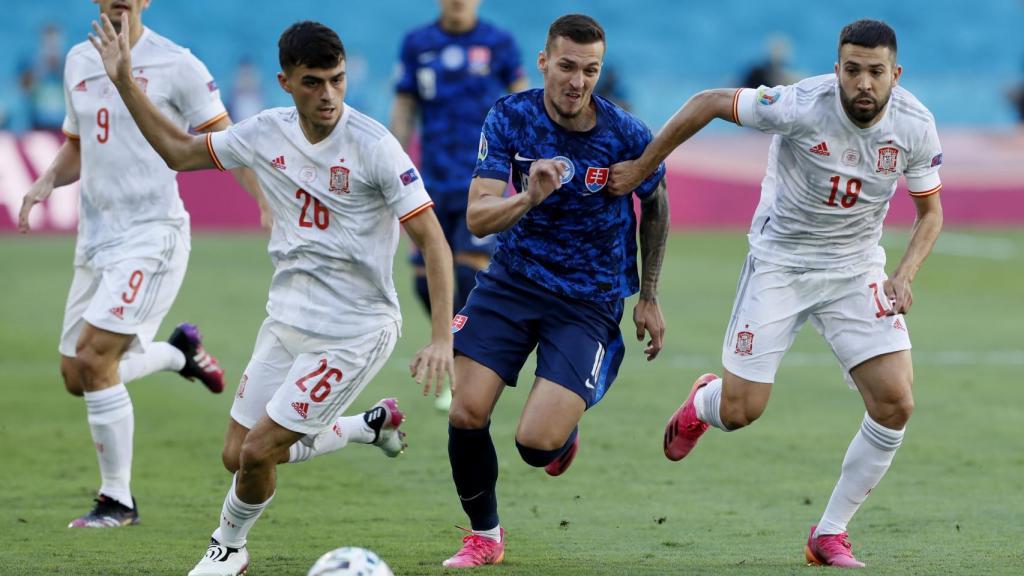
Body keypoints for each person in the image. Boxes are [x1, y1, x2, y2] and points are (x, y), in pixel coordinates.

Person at [89, 16, 455, 576]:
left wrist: (439, 339)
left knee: (260, 451)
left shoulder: (376, 147)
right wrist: (123, 82)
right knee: (237, 456)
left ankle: (227, 549)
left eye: (336, 79)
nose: (328, 94)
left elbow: (433, 242)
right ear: (285, 81)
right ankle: (365, 426)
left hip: (355, 329)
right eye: (313, 81)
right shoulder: (263, 132)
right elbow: (179, 154)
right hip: (286, 317)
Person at [609, 19, 943, 569]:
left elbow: (930, 213)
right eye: (853, 70)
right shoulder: (799, 104)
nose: (863, 83)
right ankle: (704, 401)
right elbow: (708, 102)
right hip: (780, 265)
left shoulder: (915, 126)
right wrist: (646, 166)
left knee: (896, 403)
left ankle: (829, 533)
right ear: (838, 69)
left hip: (855, 269)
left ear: (895, 75)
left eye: (875, 73)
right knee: (742, 412)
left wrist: (903, 275)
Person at [16, 0, 267, 529]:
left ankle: (118, 501)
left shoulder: (178, 65)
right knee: (75, 375)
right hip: (95, 241)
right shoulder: (78, 61)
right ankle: (179, 354)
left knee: (92, 357)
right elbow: (78, 147)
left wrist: (267, 202)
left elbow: (227, 142)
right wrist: (44, 180)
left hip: (153, 237)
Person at [442, 14, 669, 568]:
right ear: (544, 62)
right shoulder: (509, 117)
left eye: (590, 70)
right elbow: (477, 216)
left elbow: (657, 206)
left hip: (588, 301)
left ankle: (560, 434)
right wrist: (528, 197)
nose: (577, 81)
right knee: (467, 413)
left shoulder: (627, 135)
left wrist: (649, 294)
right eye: (567, 66)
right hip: (513, 282)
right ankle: (485, 537)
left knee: (535, 446)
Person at [390, 0, 526, 411]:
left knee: (468, 275)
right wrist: (392, 166)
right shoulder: (417, 43)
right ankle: (451, 348)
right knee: (421, 280)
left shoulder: (498, 43)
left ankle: (462, 364)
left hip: (481, 183)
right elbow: (404, 109)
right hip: (431, 180)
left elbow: (522, 102)